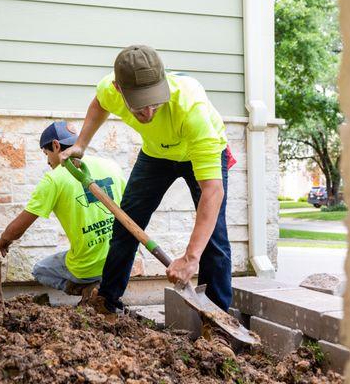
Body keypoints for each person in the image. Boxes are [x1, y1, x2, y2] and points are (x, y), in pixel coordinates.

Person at [61, 45, 236, 313]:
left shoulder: (192, 109)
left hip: (198, 150)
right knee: (125, 223)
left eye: (155, 100)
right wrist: (81, 145)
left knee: (213, 240)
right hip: (156, 154)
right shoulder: (110, 89)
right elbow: (99, 104)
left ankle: (218, 319)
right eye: (141, 106)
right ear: (120, 90)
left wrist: (190, 258)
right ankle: (106, 301)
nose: (150, 112)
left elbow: (212, 191)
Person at [0, 121, 126, 300]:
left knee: (40, 270)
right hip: (120, 261)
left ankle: (89, 290)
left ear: (56, 146)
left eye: (47, 153)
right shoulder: (111, 165)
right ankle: (104, 288)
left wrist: (4, 239)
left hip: (88, 266)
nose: (48, 161)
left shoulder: (54, 178)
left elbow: (18, 229)